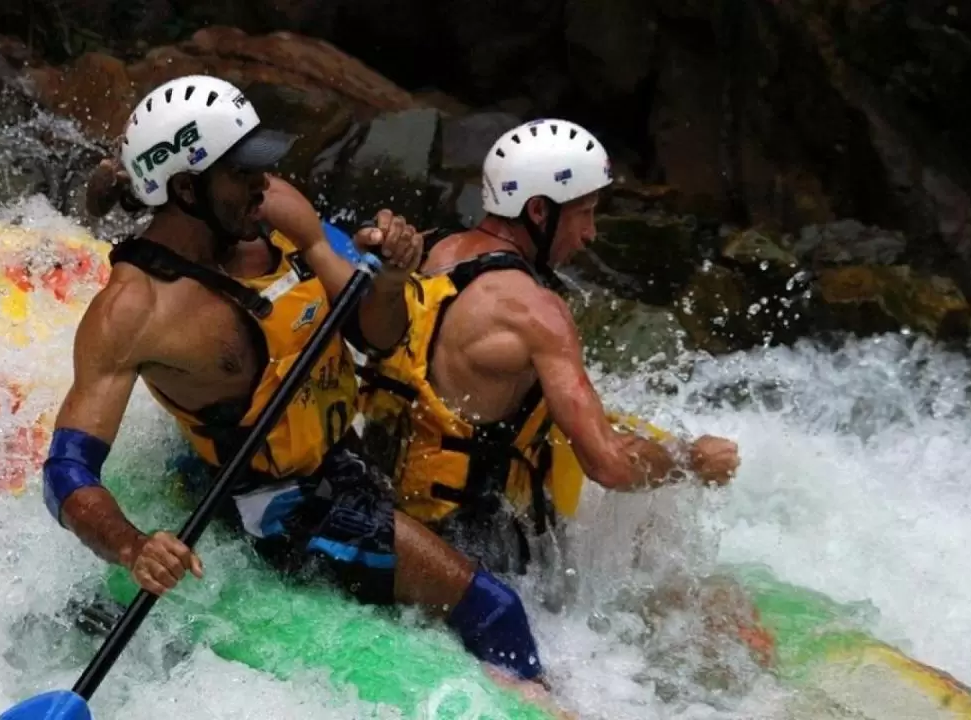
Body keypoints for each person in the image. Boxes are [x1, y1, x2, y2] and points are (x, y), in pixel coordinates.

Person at [43, 75, 547, 685]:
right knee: (496, 609)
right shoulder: (136, 311)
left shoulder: (272, 210)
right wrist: (132, 546)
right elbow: (66, 474)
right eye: (241, 172)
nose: (261, 184)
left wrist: (390, 276)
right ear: (185, 189)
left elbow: (376, 335)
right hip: (283, 505)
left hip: (342, 453)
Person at [357, 118, 741, 574]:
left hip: (378, 519)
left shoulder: (427, 254)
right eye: (584, 213)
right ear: (539, 211)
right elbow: (610, 465)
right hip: (473, 557)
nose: (590, 234)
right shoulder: (537, 313)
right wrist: (691, 460)